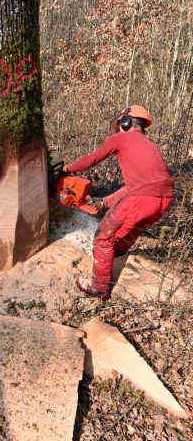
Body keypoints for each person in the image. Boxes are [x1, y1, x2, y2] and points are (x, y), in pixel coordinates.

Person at [63, 105, 174, 299]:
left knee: (104, 238)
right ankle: (114, 259)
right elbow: (135, 187)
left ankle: (99, 288)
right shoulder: (149, 144)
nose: (118, 128)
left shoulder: (122, 137)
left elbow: (91, 159)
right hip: (163, 201)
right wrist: (104, 202)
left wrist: (68, 168)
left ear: (126, 121)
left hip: (142, 199)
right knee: (133, 228)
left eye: (120, 124)